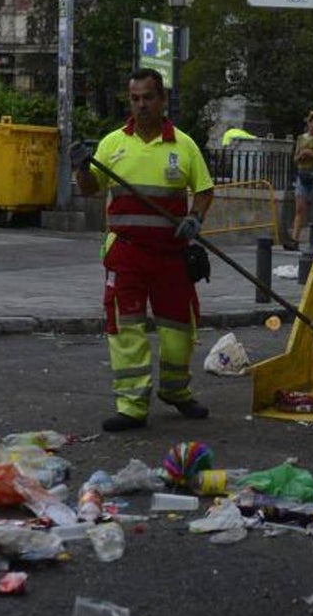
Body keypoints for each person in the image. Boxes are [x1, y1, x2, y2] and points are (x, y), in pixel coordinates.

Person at [73, 68, 215, 433]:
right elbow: (90, 188)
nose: (141, 105)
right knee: (126, 329)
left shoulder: (183, 145)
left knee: (178, 331)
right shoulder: (111, 144)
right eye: (135, 98)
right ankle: (132, 405)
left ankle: (175, 390)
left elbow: (204, 189)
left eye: (148, 97)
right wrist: (81, 167)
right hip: (127, 254)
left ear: (163, 99)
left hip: (171, 255)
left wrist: (196, 218)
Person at [286, 110, 313, 251]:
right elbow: (295, 158)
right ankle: (295, 239)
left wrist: (310, 154)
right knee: (299, 209)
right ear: (309, 123)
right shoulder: (301, 138)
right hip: (302, 174)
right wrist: (301, 156)